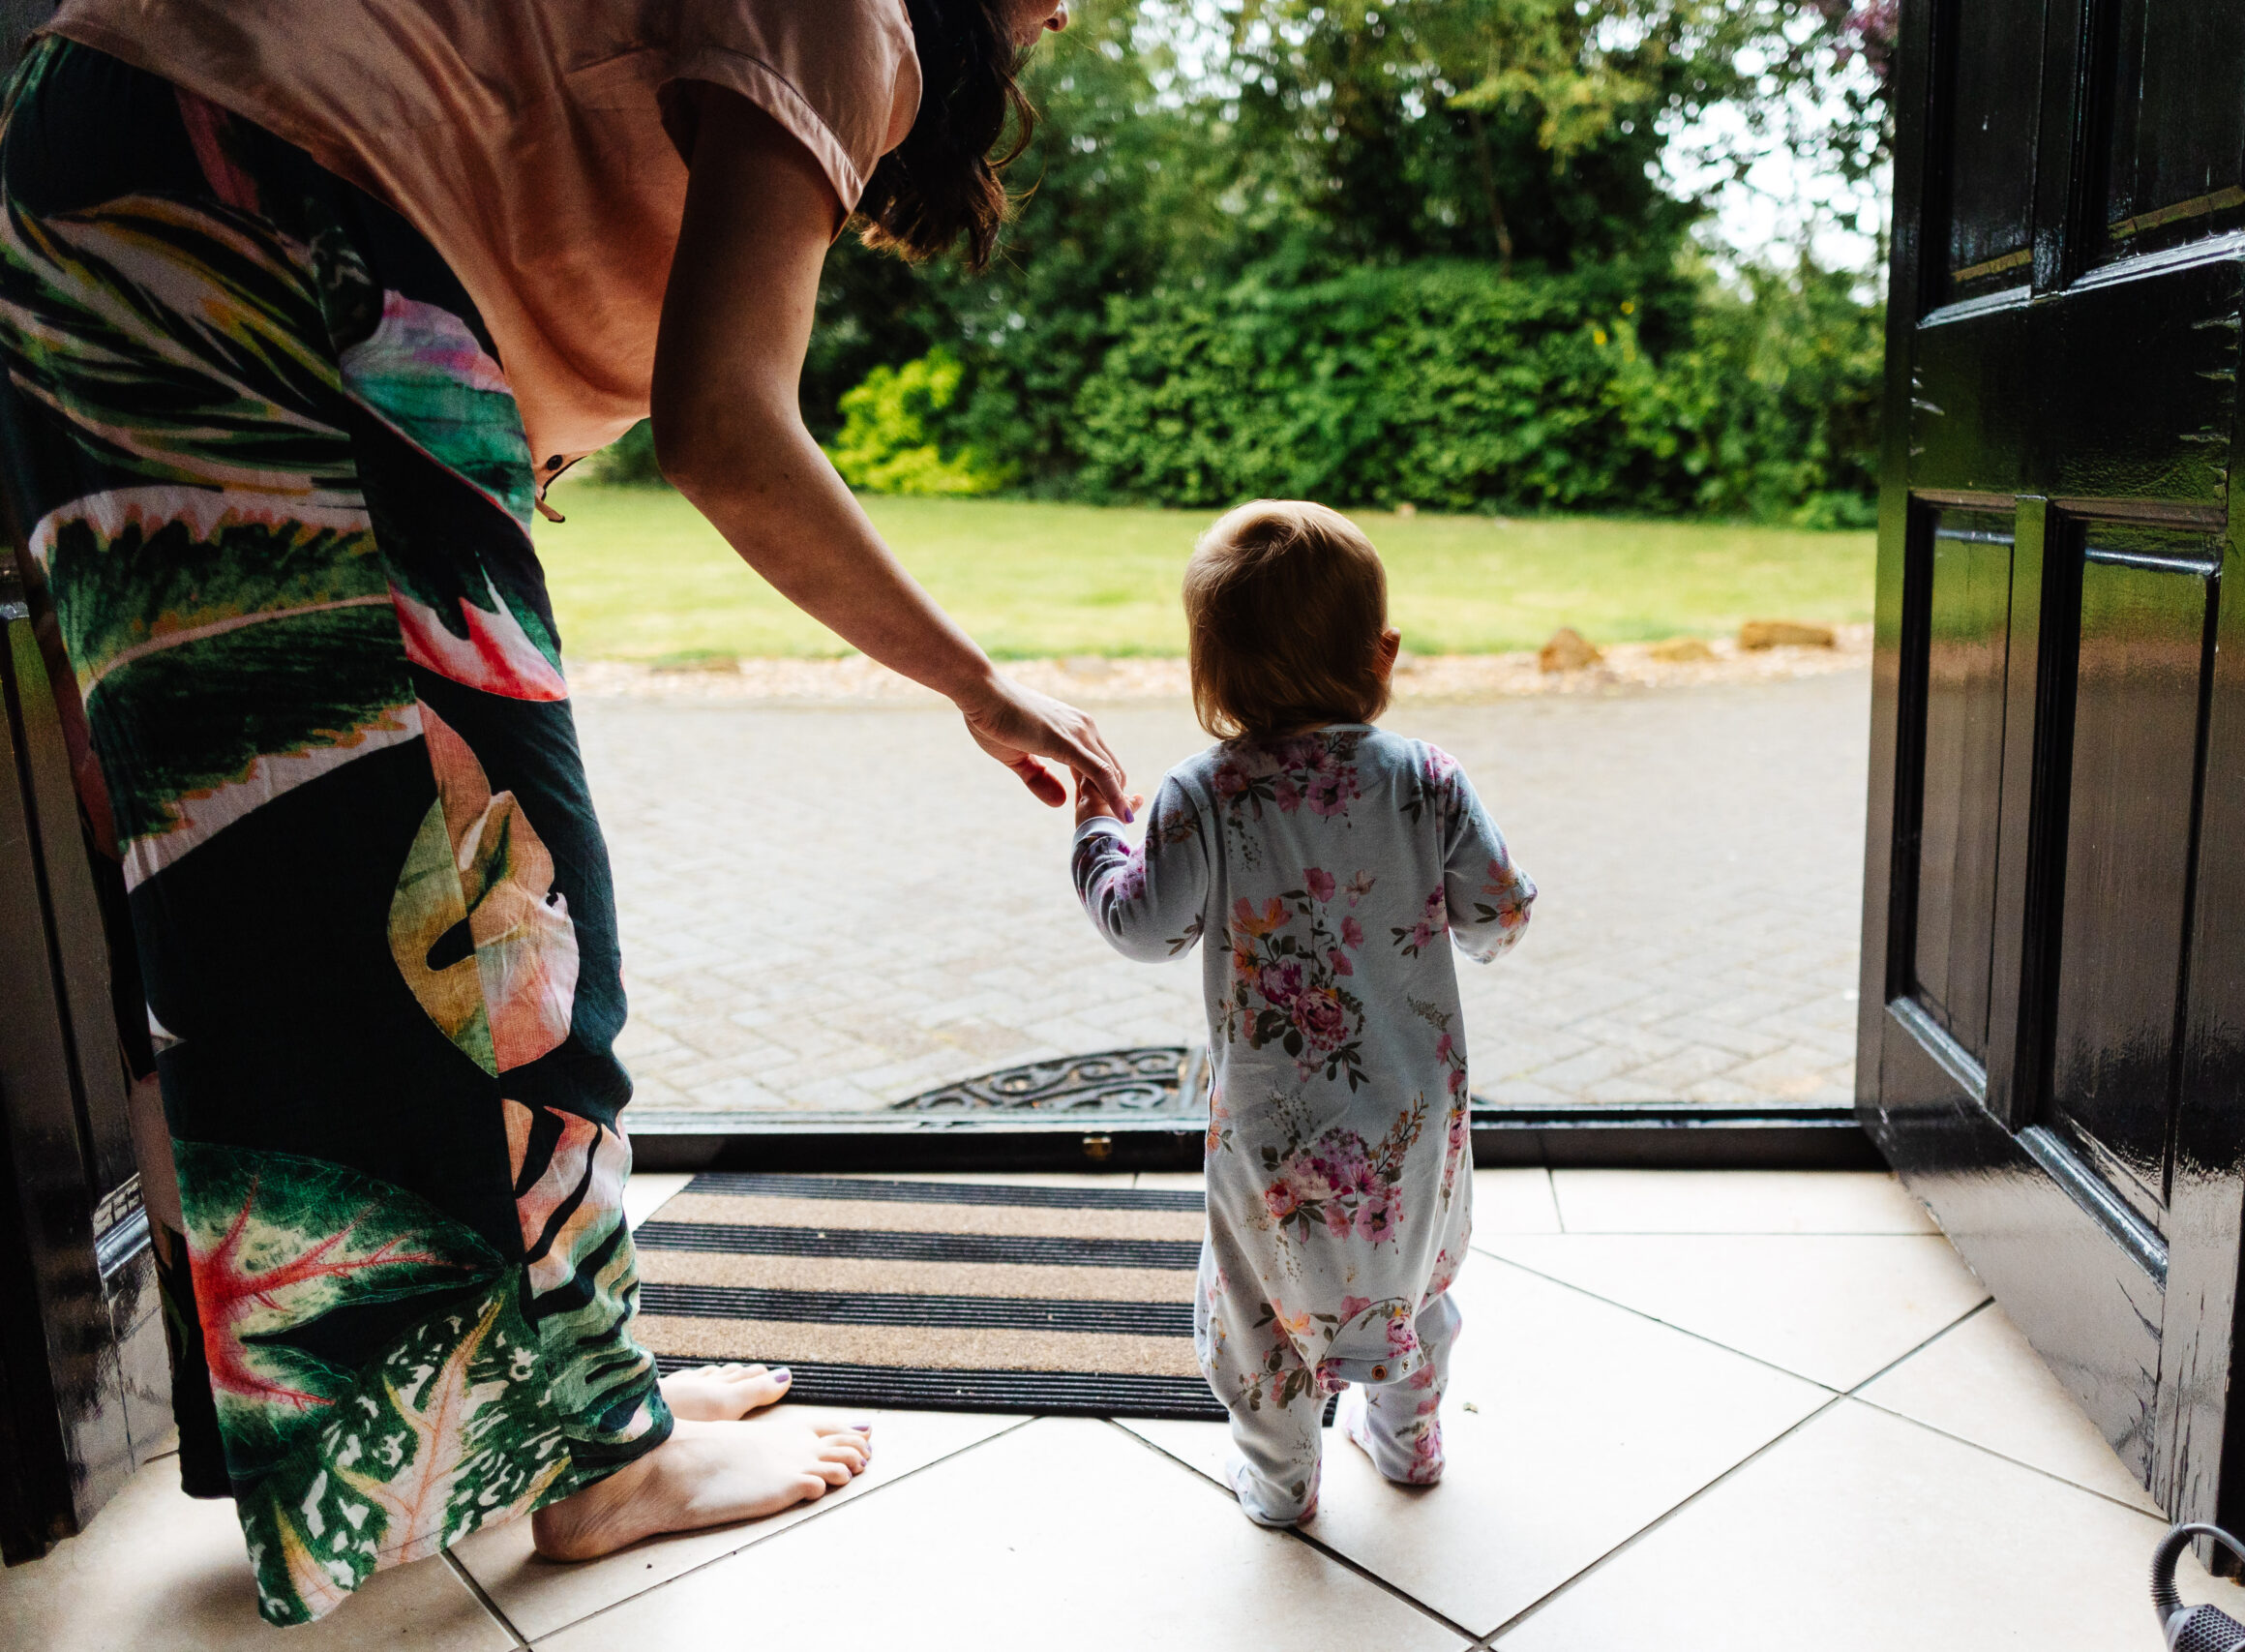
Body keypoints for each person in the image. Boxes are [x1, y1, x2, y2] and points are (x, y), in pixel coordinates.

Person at [0, 0, 1130, 1624]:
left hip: (97, 162)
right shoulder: (857, 12)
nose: (1068, 8)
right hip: (257, 187)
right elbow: (727, 427)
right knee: (499, 891)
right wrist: (975, 680)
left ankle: (432, 1421)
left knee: (260, 863)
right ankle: (605, 1461)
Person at [1068, 500, 1536, 1526]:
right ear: (1383, 654)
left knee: (1261, 1308)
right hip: (1416, 1116)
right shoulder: (1427, 780)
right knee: (1411, 1278)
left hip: (1274, 1127)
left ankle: (1282, 1486)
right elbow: (1502, 910)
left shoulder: (1201, 795)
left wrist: (1101, 828)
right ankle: (1409, 1443)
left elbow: (1146, 928)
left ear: (1209, 671)